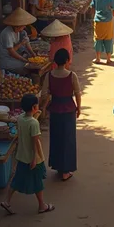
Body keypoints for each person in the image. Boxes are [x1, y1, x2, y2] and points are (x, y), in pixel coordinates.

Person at [0, 93, 54, 215]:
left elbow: (27, 123)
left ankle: (7, 201)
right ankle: (42, 206)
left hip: (21, 156)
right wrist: (35, 158)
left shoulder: (20, 118)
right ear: (35, 107)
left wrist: (35, 115)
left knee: (17, 179)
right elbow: (35, 142)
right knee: (38, 182)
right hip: (33, 158)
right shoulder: (34, 124)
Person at [41, 48, 81, 182]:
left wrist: (45, 107)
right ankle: (66, 171)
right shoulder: (71, 75)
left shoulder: (49, 75)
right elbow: (77, 93)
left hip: (55, 109)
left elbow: (45, 94)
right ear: (67, 61)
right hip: (68, 109)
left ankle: (58, 166)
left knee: (56, 137)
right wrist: (79, 107)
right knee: (68, 140)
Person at [0, 8, 36, 74]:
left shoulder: (22, 32)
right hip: (6, 59)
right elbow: (11, 52)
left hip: (14, 57)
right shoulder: (7, 33)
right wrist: (24, 60)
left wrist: (33, 54)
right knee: (26, 66)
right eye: (22, 26)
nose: (24, 27)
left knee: (28, 61)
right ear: (17, 26)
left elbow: (27, 43)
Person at [90, 0, 114, 65]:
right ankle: (108, 59)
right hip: (108, 21)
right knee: (108, 39)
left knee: (98, 39)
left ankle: (98, 58)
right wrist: (111, 13)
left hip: (98, 20)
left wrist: (93, 17)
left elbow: (92, 8)